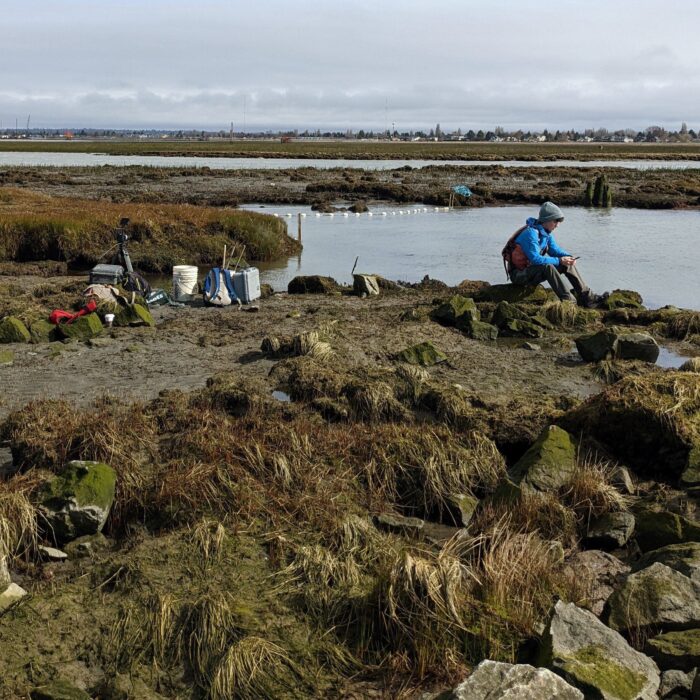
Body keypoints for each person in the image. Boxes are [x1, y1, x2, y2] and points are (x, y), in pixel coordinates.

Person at [509, 201, 600, 307]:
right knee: (548, 266)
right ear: (546, 219)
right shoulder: (530, 234)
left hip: (532, 272)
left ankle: (587, 297)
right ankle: (569, 301)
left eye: (559, 221)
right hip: (519, 275)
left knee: (566, 263)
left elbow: (555, 251)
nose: (557, 225)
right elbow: (535, 259)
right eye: (555, 221)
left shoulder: (546, 233)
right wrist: (559, 260)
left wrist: (569, 257)